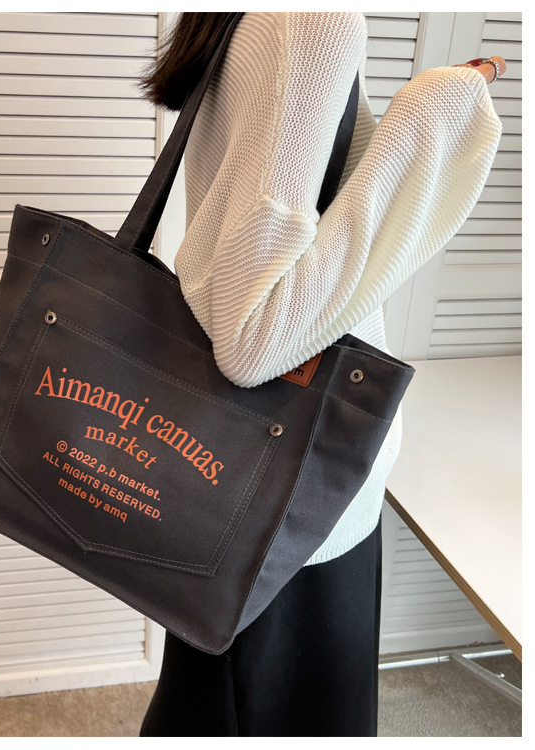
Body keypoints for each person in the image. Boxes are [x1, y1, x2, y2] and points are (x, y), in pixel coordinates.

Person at [137, 12, 505, 737]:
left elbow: (297, 218)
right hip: (298, 488)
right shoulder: (313, 21)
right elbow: (253, 336)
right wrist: (429, 117)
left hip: (250, 475)